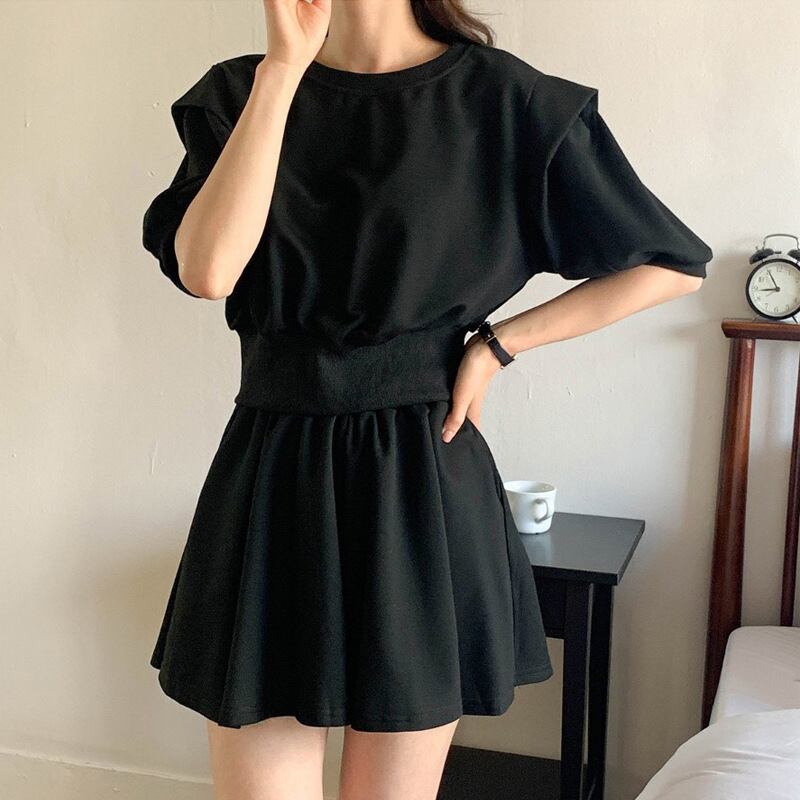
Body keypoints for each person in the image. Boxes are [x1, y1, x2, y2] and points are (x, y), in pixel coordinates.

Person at [141, 1, 713, 798]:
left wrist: (499, 344)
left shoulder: (505, 101)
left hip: (419, 483)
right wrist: (282, 70)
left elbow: (670, 264)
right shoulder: (242, 91)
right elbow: (208, 270)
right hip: (272, 476)